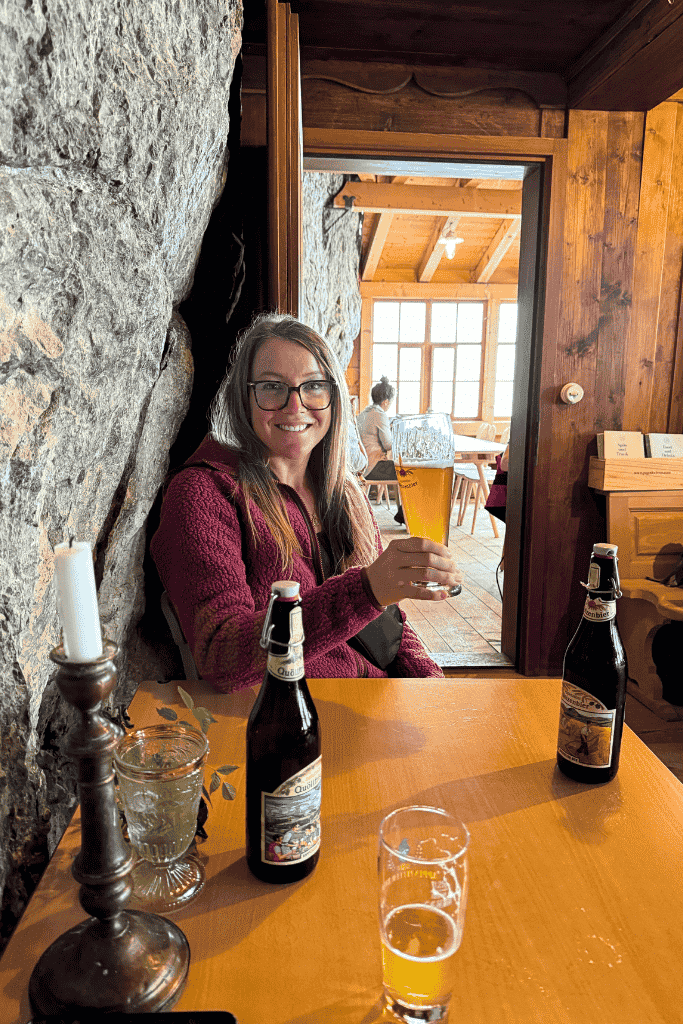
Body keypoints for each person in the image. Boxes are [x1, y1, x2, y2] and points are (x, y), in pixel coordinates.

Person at [151, 313, 460, 692]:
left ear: (332, 397)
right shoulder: (204, 494)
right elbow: (223, 653)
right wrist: (364, 591)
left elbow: (389, 623)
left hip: (379, 701)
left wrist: (435, 689)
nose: (295, 406)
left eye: (313, 386)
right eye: (271, 387)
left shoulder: (346, 492)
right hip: (294, 718)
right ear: (243, 398)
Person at [356, 376, 405, 524]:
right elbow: (388, 445)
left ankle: (403, 512)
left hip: (363, 464)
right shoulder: (380, 414)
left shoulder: (364, 413)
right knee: (409, 472)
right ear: (386, 402)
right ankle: (405, 514)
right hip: (374, 467)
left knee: (404, 469)